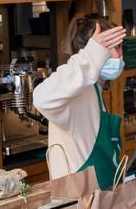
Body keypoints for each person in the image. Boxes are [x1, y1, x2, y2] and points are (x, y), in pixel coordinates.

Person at [34, 16, 128, 188]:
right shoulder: (75, 94)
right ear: (88, 52)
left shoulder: (96, 90)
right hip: (80, 205)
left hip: (105, 199)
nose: (116, 55)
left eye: (118, 46)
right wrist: (91, 56)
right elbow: (41, 98)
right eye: (108, 48)